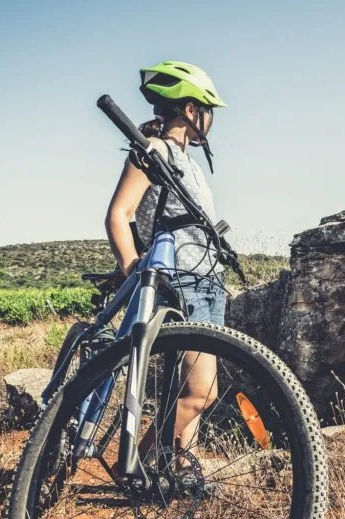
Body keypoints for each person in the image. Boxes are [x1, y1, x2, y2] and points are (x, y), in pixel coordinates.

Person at [103, 60, 228, 454]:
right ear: (191, 111)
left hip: (208, 283)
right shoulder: (155, 150)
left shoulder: (188, 161)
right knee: (202, 391)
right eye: (208, 111)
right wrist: (132, 269)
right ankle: (141, 459)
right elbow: (119, 214)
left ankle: (181, 468)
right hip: (180, 282)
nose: (211, 120)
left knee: (189, 389)